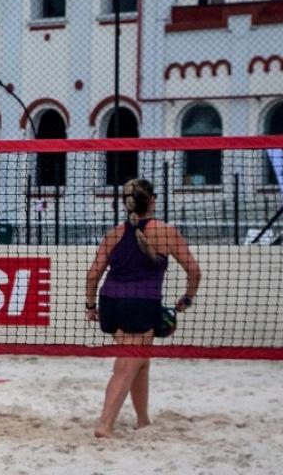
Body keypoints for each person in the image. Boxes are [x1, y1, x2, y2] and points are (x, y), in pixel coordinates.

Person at [85, 178, 201, 439]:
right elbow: (194, 271)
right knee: (126, 366)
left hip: (111, 303)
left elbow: (93, 275)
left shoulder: (115, 232)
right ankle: (105, 425)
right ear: (152, 201)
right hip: (140, 304)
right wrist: (188, 298)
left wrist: (91, 306)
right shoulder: (165, 231)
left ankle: (143, 420)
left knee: (140, 362)